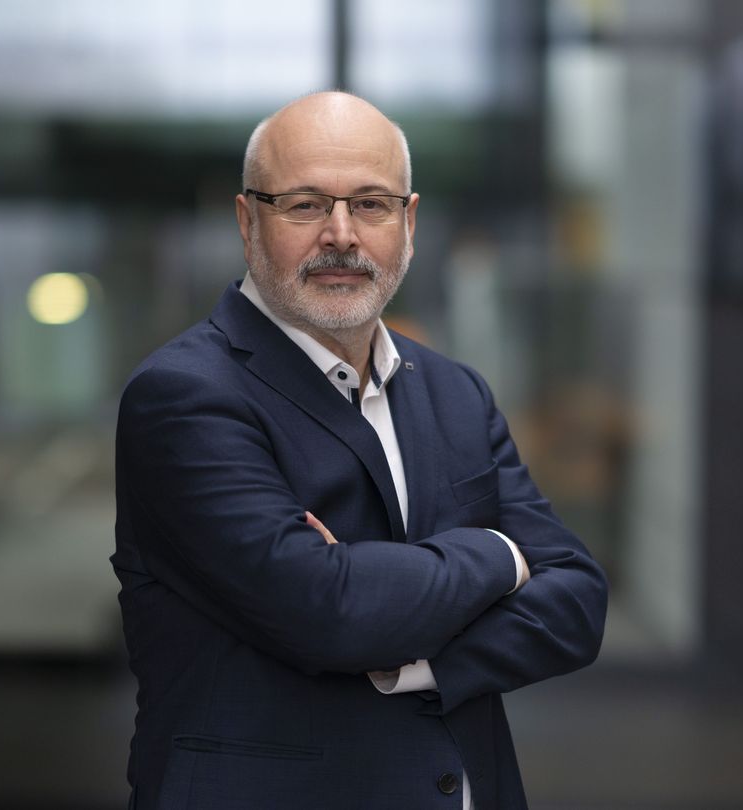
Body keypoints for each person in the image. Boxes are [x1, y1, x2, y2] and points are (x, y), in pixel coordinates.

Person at [111, 91, 607, 810]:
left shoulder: (456, 391)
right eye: (305, 205)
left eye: (370, 204)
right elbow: (328, 610)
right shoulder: (184, 397)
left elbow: (577, 602)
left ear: (409, 224)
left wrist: (414, 658)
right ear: (248, 221)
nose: (340, 235)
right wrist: (500, 555)